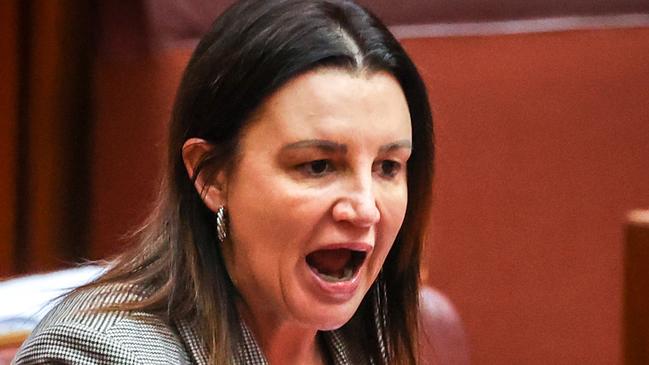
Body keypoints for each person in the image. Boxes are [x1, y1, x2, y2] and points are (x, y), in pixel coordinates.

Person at [13, 0, 435, 364]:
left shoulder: (365, 338)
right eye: (318, 165)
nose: (365, 208)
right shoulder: (99, 353)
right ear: (211, 175)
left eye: (387, 167)